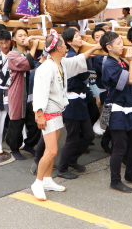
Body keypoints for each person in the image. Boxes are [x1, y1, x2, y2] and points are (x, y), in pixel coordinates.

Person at [30, 30, 101, 201]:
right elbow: (39, 92)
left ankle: (47, 180)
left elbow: (78, 60)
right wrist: (38, 114)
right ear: (58, 48)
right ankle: (37, 183)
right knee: (52, 150)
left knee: (50, 151)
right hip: (46, 112)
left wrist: (96, 47)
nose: (65, 46)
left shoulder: (60, 63)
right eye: (63, 43)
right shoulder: (46, 68)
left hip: (57, 112)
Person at [99, 31, 132, 193]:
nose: (122, 46)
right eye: (119, 43)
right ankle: (115, 181)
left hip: (129, 108)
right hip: (115, 109)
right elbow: (130, 80)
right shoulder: (109, 64)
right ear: (109, 47)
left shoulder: (122, 60)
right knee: (120, 147)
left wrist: (131, 61)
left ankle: (130, 174)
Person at [55, 28, 94, 180]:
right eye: (77, 36)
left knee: (88, 135)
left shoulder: (77, 55)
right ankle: (62, 168)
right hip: (71, 100)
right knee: (72, 137)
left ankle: (72, 159)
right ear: (69, 41)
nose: (81, 38)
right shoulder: (70, 56)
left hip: (80, 99)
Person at [6, 27, 41, 160]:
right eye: (20, 35)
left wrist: (33, 42)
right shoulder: (12, 54)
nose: (23, 37)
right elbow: (26, 63)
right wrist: (33, 47)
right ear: (13, 38)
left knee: (35, 122)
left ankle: (29, 144)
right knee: (16, 122)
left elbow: (39, 54)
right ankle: (14, 149)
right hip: (18, 92)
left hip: (31, 92)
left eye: (25, 35)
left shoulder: (29, 50)